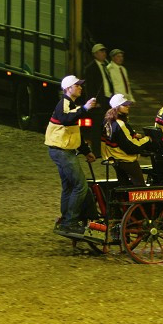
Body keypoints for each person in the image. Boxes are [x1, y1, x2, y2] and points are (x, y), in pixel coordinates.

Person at [46, 75, 98, 237]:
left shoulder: (70, 104)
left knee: (69, 186)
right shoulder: (64, 104)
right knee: (81, 186)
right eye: (77, 85)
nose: (80, 87)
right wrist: (85, 109)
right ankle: (70, 222)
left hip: (61, 150)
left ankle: (65, 219)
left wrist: (85, 151)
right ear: (68, 88)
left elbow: (74, 131)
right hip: (62, 151)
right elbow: (67, 120)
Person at [102, 93, 155, 186]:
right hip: (126, 160)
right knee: (140, 189)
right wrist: (147, 139)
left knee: (125, 187)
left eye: (128, 104)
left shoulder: (107, 121)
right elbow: (132, 147)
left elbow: (118, 138)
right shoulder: (120, 125)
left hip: (115, 159)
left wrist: (133, 135)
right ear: (117, 107)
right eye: (124, 105)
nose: (128, 106)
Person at [82, 42, 114, 156]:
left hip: (107, 99)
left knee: (106, 126)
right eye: (101, 51)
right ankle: (96, 151)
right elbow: (90, 87)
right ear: (95, 54)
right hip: (99, 101)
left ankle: (106, 149)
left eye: (104, 51)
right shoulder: (91, 68)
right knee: (96, 127)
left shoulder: (105, 66)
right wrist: (94, 101)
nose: (104, 53)